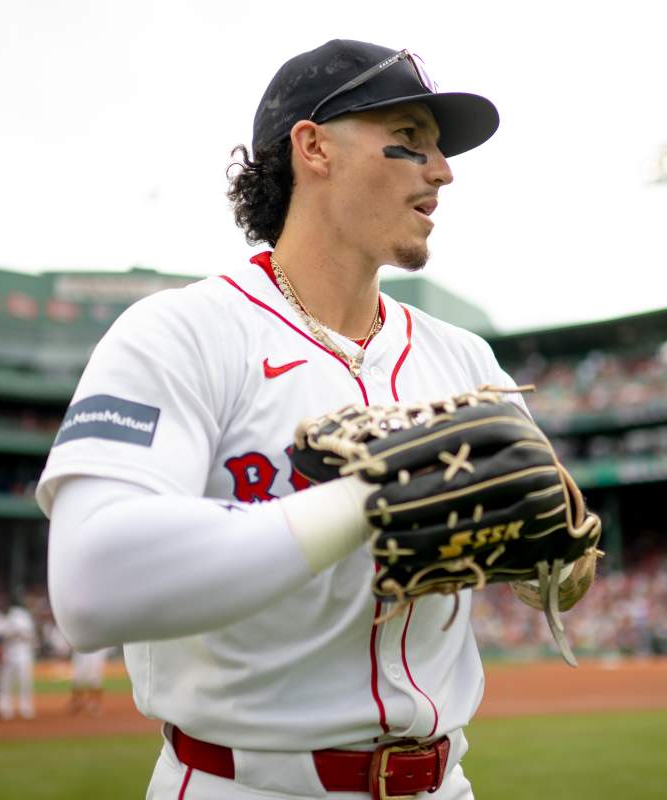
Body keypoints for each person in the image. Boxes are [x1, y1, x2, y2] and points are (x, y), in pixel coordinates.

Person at [40, 39, 593, 799]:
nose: (443, 171)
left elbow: (556, 564)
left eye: (440, 150)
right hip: (242, 784)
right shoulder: (182, 332)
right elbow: (90, 582)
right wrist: (371, 502)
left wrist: (553, 563)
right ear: (315, 147)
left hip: (444, 782)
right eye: (411, 141)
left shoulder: (465, 359)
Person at [0, 596, 36, 720]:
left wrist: (17, 633)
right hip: (6, 651)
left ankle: (25, 707)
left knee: (25, 681)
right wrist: (4, 634)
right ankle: (5, 707)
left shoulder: (22, 615)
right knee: (4, 682)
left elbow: (30, 635)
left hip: (22, 651)